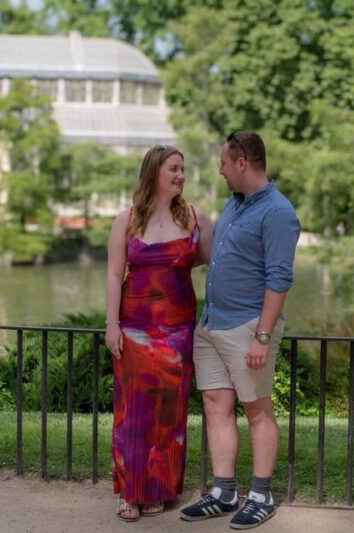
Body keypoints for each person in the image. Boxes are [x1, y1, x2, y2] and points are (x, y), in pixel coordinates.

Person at [179, 132, 300, 529]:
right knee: (216, 405)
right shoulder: (233, 205)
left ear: (242, 162)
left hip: (248, 326)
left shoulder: (278, 212)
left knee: (257, 411)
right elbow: (214, 257)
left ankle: (261, 495)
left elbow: (279, 279)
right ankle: (224, 492)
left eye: (224, 164)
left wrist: (262, 337)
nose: (220, 170)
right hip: (212, 323)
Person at [105, 145, 212, 522]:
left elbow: (206, 259)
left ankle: (159, 489)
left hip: (178, 330)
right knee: (133, 410)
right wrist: (111, 325)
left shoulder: (195, 218)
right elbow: (115, 274)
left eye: (183, 169)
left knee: (170, 411)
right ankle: (129, 492)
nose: (181, 175)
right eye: (174, 169)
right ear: (154, 173)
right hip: (134, 329)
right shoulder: (127, 220)